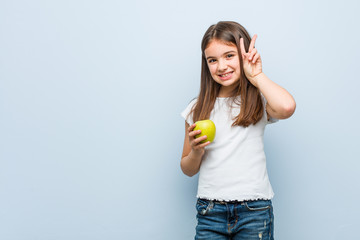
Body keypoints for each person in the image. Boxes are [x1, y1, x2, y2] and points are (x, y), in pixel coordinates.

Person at [180, 21, 296, 240]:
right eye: (212, 60)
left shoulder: (257, 101)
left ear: (244, 56)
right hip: (210, 211)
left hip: (254, 210)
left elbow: (287, 107)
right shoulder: (197, 108)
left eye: (229, 56)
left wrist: (256, 76)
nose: (221, 66)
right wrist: (196, 151)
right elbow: (187, 169)